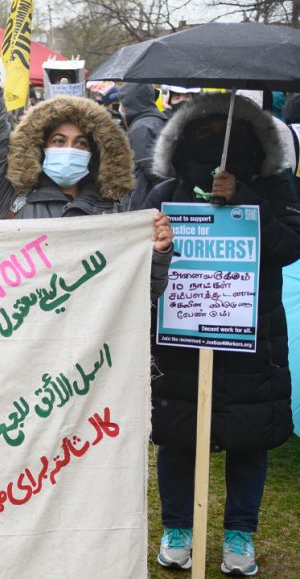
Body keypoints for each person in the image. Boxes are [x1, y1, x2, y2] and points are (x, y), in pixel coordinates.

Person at [143, 92, 300, 576]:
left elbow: (290, 245)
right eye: (203, 136)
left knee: (249, 439)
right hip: (181, 337)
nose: (216, 148)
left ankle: (238, 534)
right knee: (177, 437)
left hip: (254, 337)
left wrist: (245, 200)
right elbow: (133, 248)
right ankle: (178, 528)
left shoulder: (274, 190)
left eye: (227, 136)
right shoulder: (164, 190)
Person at [0, 16, 172, 296]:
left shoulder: (114, 210)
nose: (69, 149)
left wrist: (159, 253)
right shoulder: (10, 196)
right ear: (40, 146)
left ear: (95, 153)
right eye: (58, 141)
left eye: (81, 143)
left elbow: (138, 294)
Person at [120, 83, 168, 210]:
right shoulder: (157, 121)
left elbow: (153, 172)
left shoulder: (141, 128)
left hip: (143, 203)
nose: (121, 108)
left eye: (122, 102)